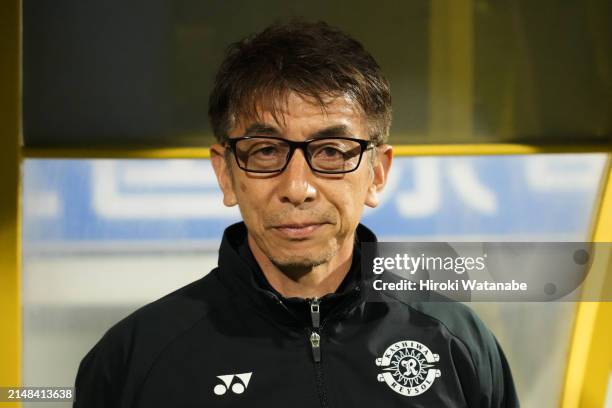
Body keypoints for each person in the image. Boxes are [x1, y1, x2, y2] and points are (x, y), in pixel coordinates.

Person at [74, 20, 519, 407]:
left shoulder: (455, 341)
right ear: (226, 174)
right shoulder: (137, 357)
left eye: (330, 151)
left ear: (378, 173)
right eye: (266, 151)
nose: (298, 188)